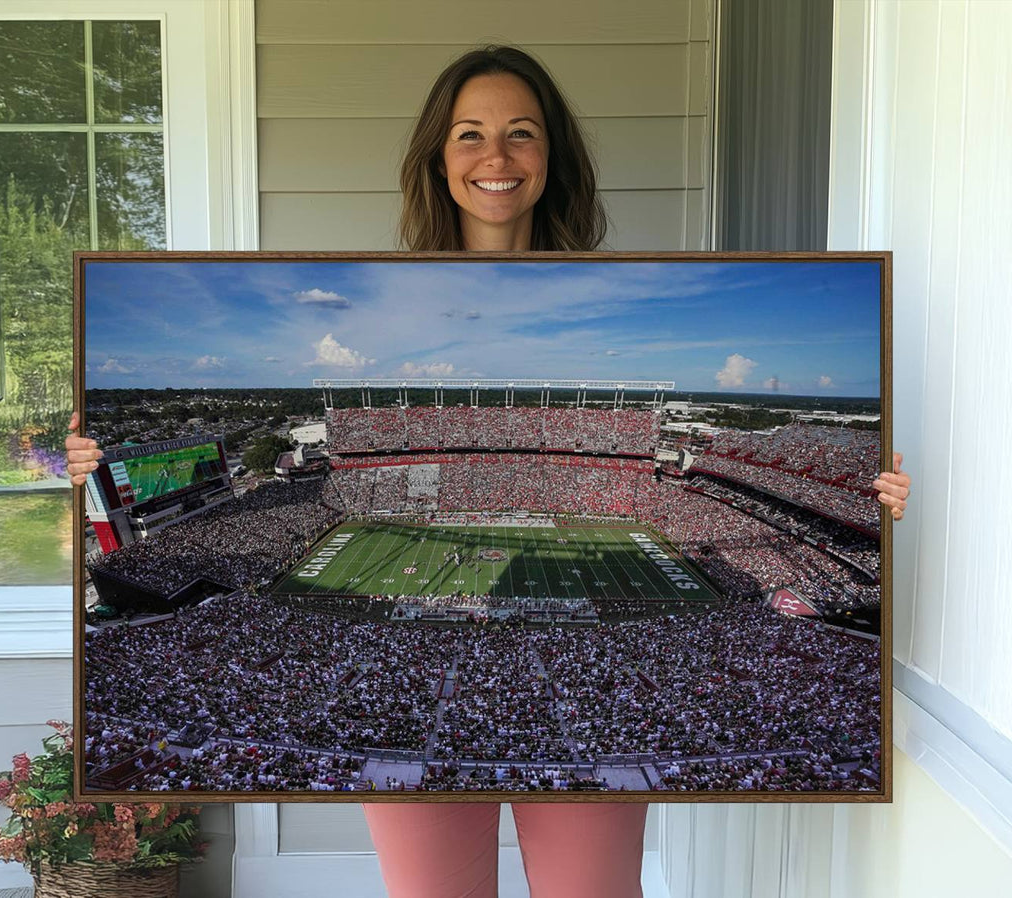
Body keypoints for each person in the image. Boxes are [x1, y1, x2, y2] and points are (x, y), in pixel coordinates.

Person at [66, 45, 911, 898]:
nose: (496, 157)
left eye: (521, 133)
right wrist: (83, 467)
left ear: (553, 156)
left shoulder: (608, 295)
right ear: (439, 156)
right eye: (469, 134)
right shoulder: (387, 302)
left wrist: (873, 498)